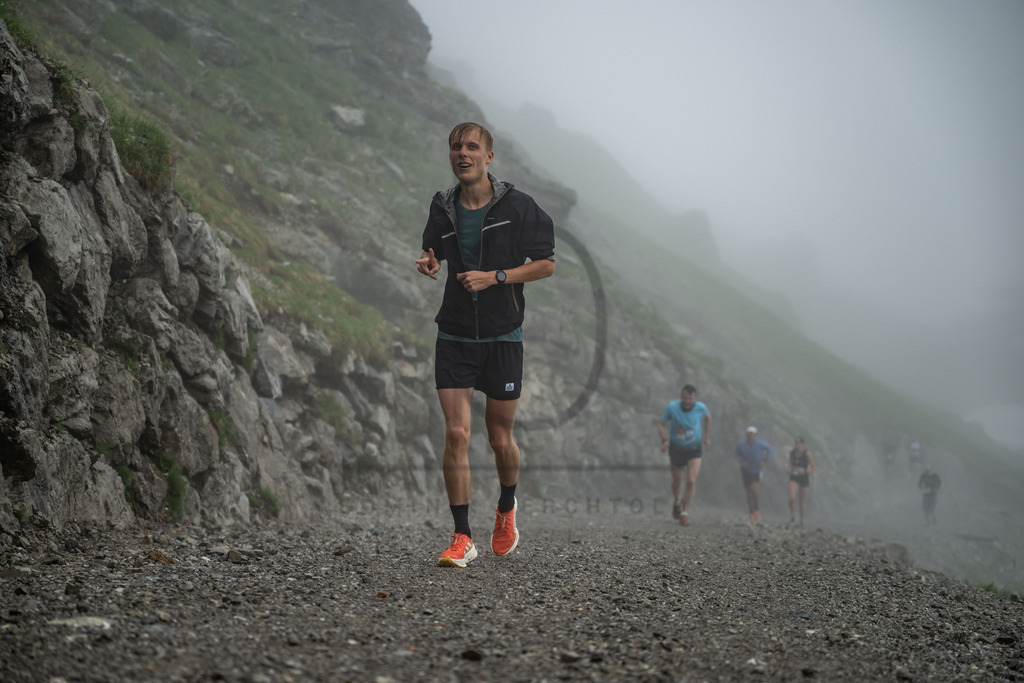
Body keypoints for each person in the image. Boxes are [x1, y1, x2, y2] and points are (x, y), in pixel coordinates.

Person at [416, 122, 556, 568]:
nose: (463, 153)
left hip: (502, 336)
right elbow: (432, 249)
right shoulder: (442, 207)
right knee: (456, 432)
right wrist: (429, 262)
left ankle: (506, 508)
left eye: (472, 147)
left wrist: (496, 277)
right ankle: (461, 536)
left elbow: (546, 265)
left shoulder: (518, 207)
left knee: (500, 438)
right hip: (454, 333)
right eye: (456, 146)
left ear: (489, 157)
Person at [656, 385, 712, 527]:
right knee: (676, 482)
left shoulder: (700, 407)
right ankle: (676, 501)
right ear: (681, 397)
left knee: (691, 481)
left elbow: (708, 417)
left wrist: (706, 436)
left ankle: (684, 513)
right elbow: (661, 424)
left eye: (690, 399)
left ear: (695, 398)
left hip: (694, 449)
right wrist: (664, 440)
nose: (687, 401)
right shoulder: (672, 407)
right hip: (676, 448)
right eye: (685, 398)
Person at [735, 426, 773, 521]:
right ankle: (751, 511)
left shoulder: (760, 444)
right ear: (746, 435)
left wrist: (764, 460)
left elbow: (770, 449)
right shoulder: (741, 445)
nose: (751, 436)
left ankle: (757, 511)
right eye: (749, 435)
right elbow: (736, 454)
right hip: (746, 470)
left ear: (755, 435)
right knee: (749, 492)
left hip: (757, 470)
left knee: (755, 490)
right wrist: (741, 461)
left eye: (752, 435)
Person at [787, 437, 816, 526]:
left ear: (803, 445)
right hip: (794, 477)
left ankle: (802, 519)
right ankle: (792, 516)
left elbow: (813, 468)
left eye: (799, 444)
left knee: (801, 500)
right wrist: (789, 470)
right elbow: (789, 465)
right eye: (796, 444)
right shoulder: (792, 453)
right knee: (792, 497)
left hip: (804, 478)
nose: (798, 446)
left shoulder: (807, 454)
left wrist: (805, 471)